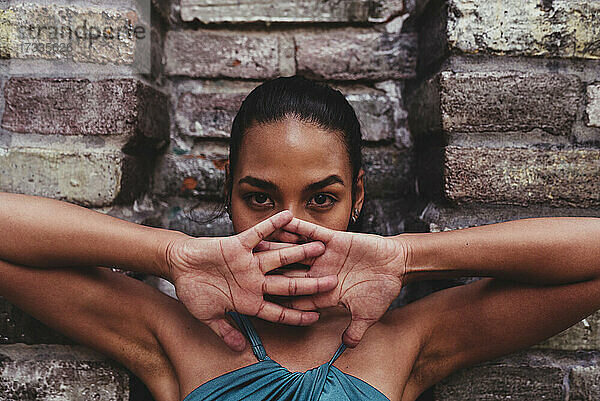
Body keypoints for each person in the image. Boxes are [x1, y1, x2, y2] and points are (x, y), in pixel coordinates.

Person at [0, 75, 599, 401]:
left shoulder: (406, 342)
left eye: (322, 199)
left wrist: (410, 257)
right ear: (225, 192)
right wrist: (170, 254)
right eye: (259, 197)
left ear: (358, 197)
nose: (291, 226)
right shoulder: (174, 336)